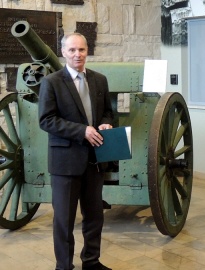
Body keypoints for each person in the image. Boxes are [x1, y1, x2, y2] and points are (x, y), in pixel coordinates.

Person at [38, 33, 113, 270]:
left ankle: (91, 262)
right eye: (72, 50)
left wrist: (106, 123)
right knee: (64, 221)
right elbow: (46, 120)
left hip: (95, 160)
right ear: (63, 52)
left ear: (87, 51)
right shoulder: (51, 82)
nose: (77, 54)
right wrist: (82, 131)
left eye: (81, 50)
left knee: (94, 218)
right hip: (65, 163)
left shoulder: (100, 80)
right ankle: (64, 266)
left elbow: (108, 112)